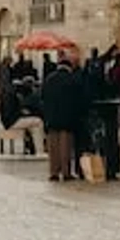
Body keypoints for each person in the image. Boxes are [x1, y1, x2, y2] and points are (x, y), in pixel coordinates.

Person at [42, 51, 85, 182]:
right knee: (65, 146)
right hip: (67, 119)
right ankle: (66, 173)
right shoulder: (72, 79)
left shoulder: (48, 79)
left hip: (51, 118)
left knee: (53, 147)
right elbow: (78, 99)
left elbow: (42, 97)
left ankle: (53, 172)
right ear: (69, 67)